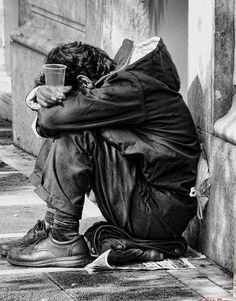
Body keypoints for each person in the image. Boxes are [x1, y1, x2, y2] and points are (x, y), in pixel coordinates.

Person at [1, 38, 200, 267]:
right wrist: (41, 93)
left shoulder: (132, 87)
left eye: (69, 96)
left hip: (157, 214)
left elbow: (53, 120)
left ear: (84, 81)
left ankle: (63, 239)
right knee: (73, 126)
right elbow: (49, 123)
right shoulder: (125, 84)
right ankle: (52, 229)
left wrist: (42, 97)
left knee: (77, 132)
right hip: (155, 207)